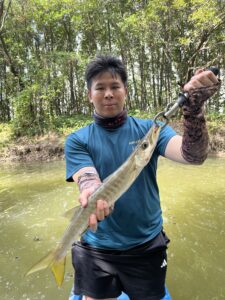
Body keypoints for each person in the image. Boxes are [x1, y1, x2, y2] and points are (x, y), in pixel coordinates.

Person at [65, 55, 220, 300]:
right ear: (89, 94)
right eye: (100, 88)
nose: (108, 94)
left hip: (145, 245)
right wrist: (91, 191)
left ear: (125, 91)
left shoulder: (150, 130)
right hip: (97, 248)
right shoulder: (77, 140)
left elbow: (193, 156)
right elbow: (87, 177)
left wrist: (194, 109)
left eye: (115, 86)